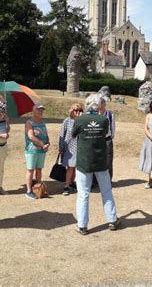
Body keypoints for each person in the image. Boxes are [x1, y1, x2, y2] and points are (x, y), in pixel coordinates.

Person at [72, 94, 119, 235]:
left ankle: (82, 225)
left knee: (83, 194)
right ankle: (112, 220)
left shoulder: (80, 120)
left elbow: (74, 135)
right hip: (100, 161)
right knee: (106, 191)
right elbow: (107, 136)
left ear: (87, 105)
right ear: (98, 106)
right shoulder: (104, 120)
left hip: (84, 162)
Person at [24, 103, 50, 200]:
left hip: (42, 150)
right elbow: (31, 136)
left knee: (39, 169)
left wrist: (47, 143)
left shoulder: (42, 122)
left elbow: (46, 135)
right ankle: (29, 191)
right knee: (30, 170)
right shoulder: (29, 122)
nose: (41, 111)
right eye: (38, 109)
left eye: (42, 110)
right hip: (32, 150)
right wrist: (43, 145)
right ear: (33, 110)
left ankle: (39, 189)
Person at [58, 103, 83, 196]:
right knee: (70, 167)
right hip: (69, 147)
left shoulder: (82, 121)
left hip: (80, 147)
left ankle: (72, 182)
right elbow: (62, 134)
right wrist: (60, 147)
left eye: (80, 110)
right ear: (72, 111)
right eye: (76, 110)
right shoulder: (67, 121)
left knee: (75, 167)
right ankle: (67, 185)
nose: (78, 112)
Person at [99, 97, 116, 181]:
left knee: (108, 160)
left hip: (107, 139)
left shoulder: (110, 114)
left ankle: (108, 179)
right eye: (99, 103)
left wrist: (110, 136)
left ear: (105, 104)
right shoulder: (95, 114)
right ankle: (96, 180)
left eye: (102, 103)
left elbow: (113, 127)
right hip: (96, 139)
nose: (101, 105)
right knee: (96, 159)